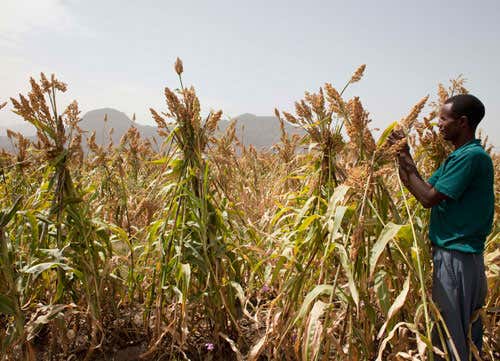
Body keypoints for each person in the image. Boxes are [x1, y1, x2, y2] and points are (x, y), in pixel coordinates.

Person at [388, 94, 494, 361]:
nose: (438, 124)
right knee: (454, 333)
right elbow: (419, 186)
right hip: (453, 257)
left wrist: (405, 156)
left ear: (462, 122)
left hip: (458, 257)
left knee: (452, 337)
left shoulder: (472, 157)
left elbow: (429, 198)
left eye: (443, 119)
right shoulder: (457, 157)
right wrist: (402, 154)